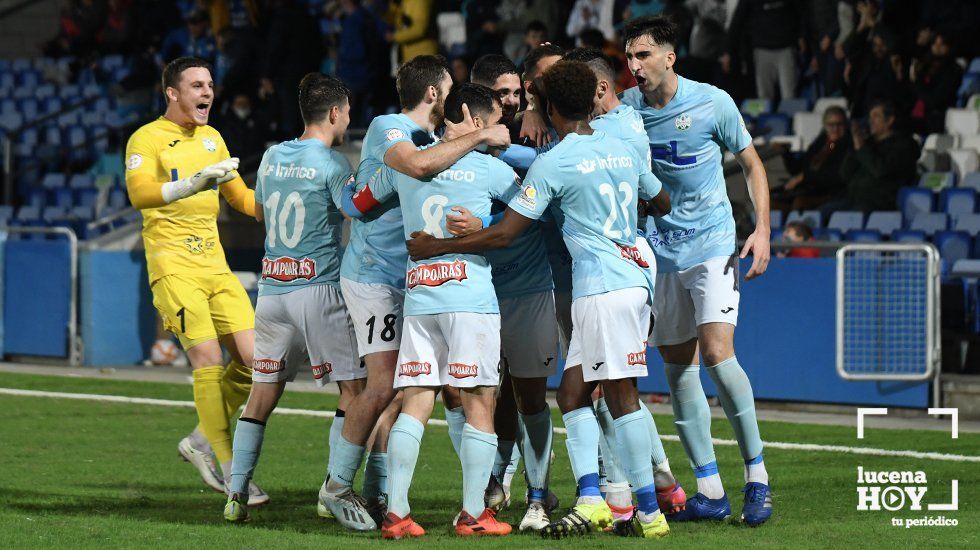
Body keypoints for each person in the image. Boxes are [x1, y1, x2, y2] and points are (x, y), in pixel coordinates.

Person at [406, 59, 672, 539]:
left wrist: (438, 246)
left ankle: (646, 513)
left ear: (547, 107)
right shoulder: (622, 146)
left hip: (601, 286)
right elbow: (664, 200)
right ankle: (595, 499)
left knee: (621, 395)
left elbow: (506, 233)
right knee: (572, 393)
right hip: (634, 274)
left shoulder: (555, 161)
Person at [319, 55, 510, 532]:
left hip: (413, 282)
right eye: (449, 89)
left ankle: (387, 498)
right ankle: (337, 485)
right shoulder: (394, 130)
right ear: (433, 94)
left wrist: (356, 192)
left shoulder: (425, 146)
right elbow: (418, 169)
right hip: (376, 276)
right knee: (388, 387)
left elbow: (359, 202)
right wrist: (483, 137)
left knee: (416, 394)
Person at [621, 15, 774, 526]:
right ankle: (709, 490)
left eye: (643, 55)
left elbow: (752, 164)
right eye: (629, 56)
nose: (634, 65)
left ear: (670, 57)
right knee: (678, 367)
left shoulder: (713, 101)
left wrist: (763, 230)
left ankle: (757, 478)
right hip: (659, 252)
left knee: (716, 353)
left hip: (711, 242)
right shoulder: (627, 110)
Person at [124, 56, 265, 505]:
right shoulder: (146, 138)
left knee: (256, 362)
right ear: (173, 92)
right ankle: (231, 472)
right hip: (173, 267)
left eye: (209, 85)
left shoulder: (213, 138)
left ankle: (200, 442)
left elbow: (240, 196)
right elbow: (139, 193)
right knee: (206, 359)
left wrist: (284, 205)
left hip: (215, 268)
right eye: (197, 85)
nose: (207, 93)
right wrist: (187, 185)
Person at [222, 73, 363, 522]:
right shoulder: (334, 163)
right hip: (318, 287)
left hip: (272, 289)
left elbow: (261, 212)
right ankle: (333, 490)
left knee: (263, 393)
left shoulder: (271, 157)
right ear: (336, 113)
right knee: (356, 391)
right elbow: (352, 211)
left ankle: (235, 493)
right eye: (347, 112)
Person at [834, 99, 919, 213]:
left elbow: (880, 170)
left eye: (876, 117)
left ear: (889, 120)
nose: (870, 121)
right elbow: (845, 173)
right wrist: (855, 148)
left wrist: (861, 148)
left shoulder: (905, 145)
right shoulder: (866, 143)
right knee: (821, 214)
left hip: (880, 204)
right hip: (851, 199)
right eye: (870, 117)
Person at [772, 105, 850, 212]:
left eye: (839, 124)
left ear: (845, 125)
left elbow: (835, 176)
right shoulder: (820, 142)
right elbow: (797, 168)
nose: (835, 129)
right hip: (806, 189)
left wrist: (804, 176)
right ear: (825, 126)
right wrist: (785, 152)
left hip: (828, 192)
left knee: (800, 203)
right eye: (831, 125)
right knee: (769, 199)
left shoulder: (848, 145)